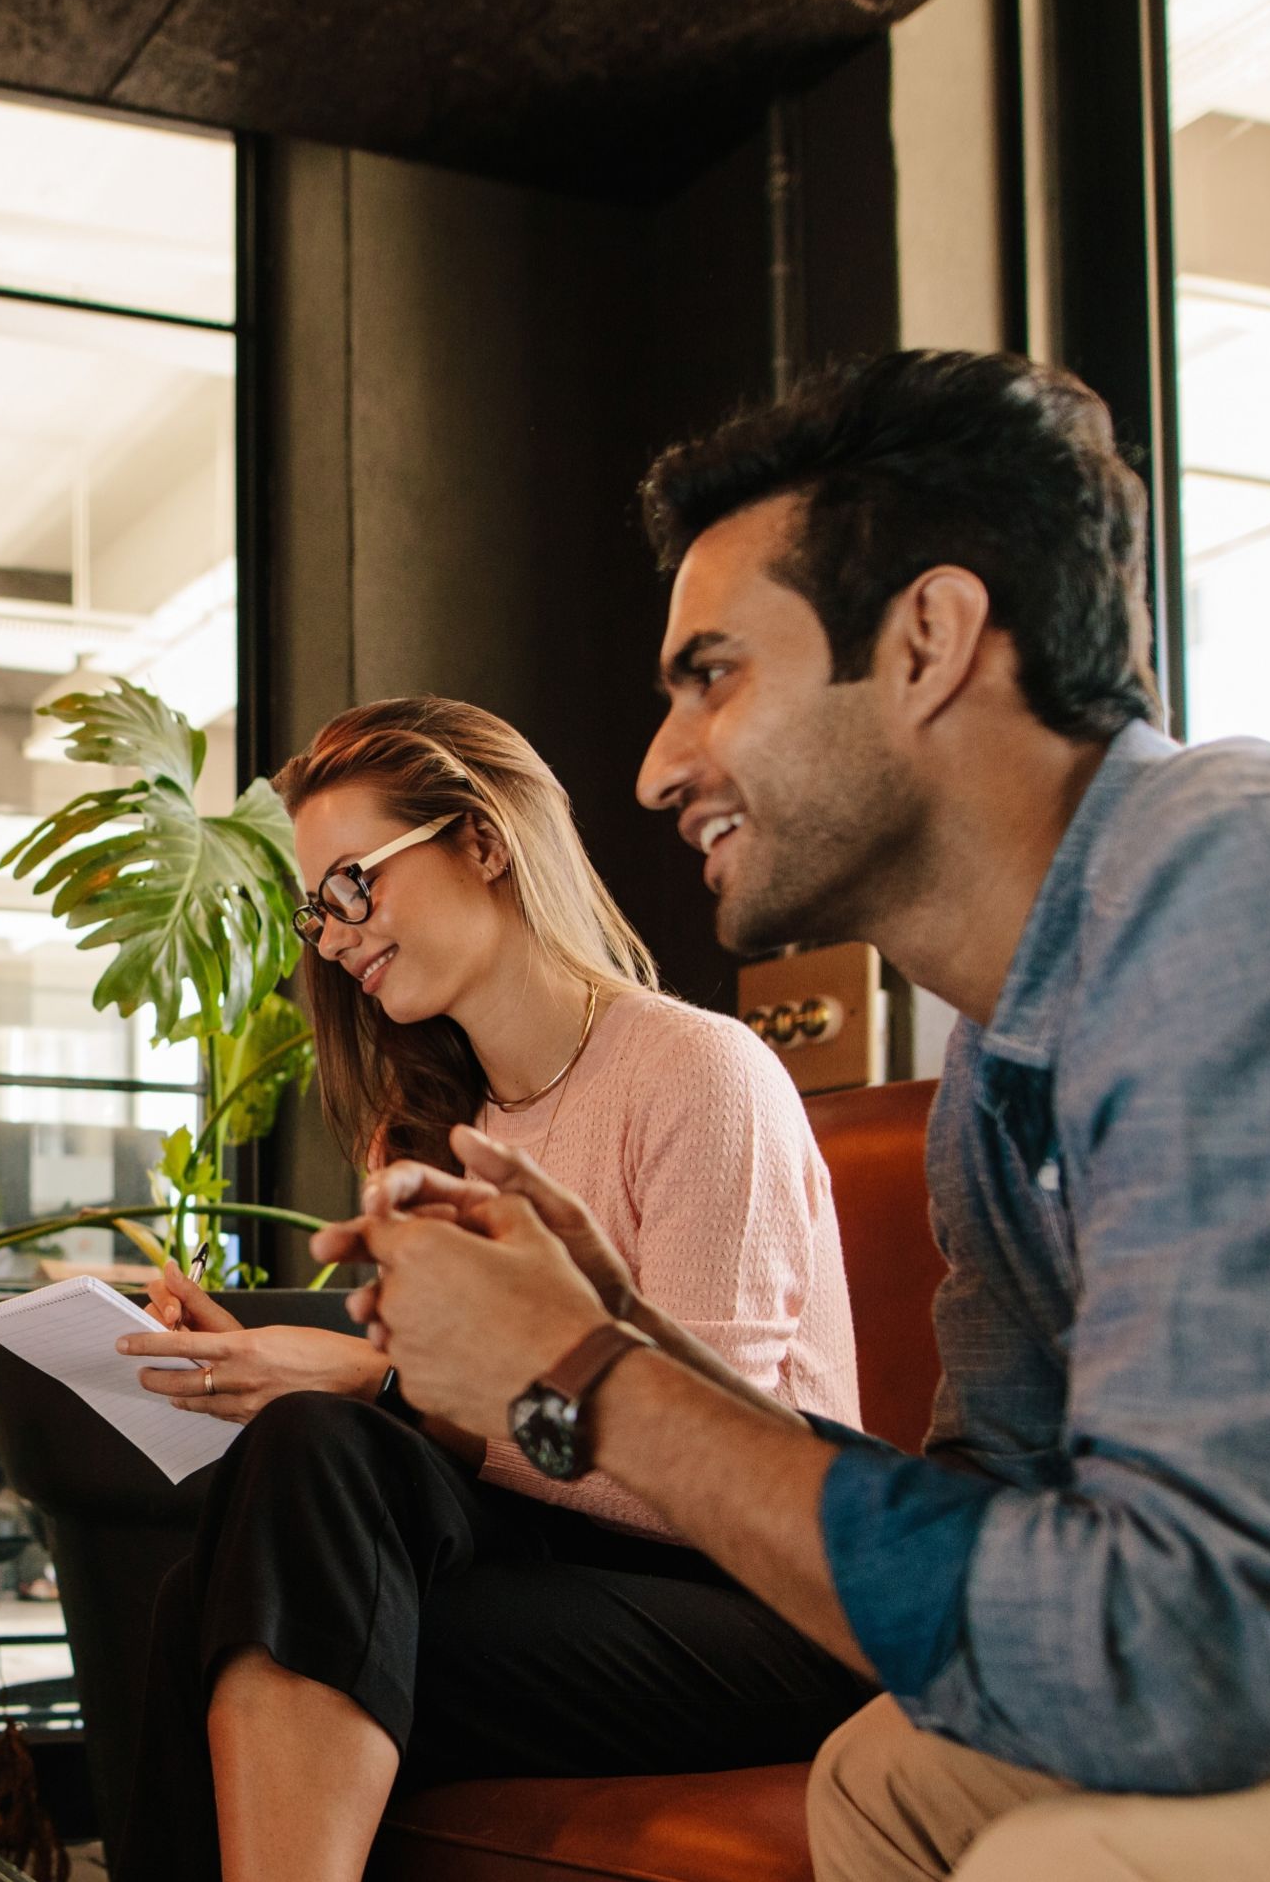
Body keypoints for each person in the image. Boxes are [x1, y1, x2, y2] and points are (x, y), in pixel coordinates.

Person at [325, 351, 1270, 1881]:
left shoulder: (1228, 886)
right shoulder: (999, 1056)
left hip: (1230, 1658)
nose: (655, 768)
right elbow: (982, 1516)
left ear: (927, 639)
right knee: (884, 1779)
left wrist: (581, 1373)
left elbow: (1180, 1651)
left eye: (713, 674)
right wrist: (628, 1332)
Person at [111, 698, 866, 1882]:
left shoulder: (697, 1071)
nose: (333, 935)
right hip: (555, 1570)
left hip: (760, 1595)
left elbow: (710, 1474)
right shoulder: (423, 1130)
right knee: (222, 1584)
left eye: (354, 882)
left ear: (481, 839)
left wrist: (379, 1383)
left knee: (271, 1555)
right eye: (317, 909)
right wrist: (312, 1375)